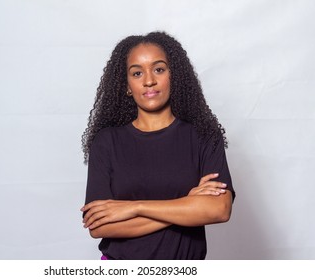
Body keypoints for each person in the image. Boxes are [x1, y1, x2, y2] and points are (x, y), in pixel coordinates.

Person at [80, 31, 235, 260]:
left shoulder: (204, 135)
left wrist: (135, 207)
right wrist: (187, 205)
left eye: (159, 69)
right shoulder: (107, 142)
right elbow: (99, 226)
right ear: (126, 85)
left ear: (174, 75)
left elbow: (219, 210)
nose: (149, 80)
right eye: (137, 72)